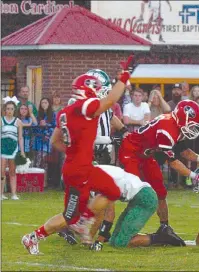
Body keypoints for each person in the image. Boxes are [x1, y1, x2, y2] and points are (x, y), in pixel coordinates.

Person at [21, 55, 132, 255]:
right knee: (72, 215)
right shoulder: (85, 106)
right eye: (96, 88)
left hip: (77, 166)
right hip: (80, 170)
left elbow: (55, 141)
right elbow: (112, 100)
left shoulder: (66, 111)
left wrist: (73, 151)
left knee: (112, 191)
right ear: (87, 88)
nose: (99, 92)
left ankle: (80, 222)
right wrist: (123, 77)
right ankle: (35, 236)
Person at [118, 100, 199, 241]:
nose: (193, 128)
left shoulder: (176, 125)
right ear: (183, 118)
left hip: (146, 155)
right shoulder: (167, 128)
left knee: (160, 191)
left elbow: (182, 151)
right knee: (136, 192)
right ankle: (123, 228)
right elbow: (173, 162)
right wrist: (195, 176)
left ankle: (164, 227)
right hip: (131, 151)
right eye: (192, 124)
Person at [88, 165, 185, 250]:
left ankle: (163, 237)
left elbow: (109, 214)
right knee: (113, 241)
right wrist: (90, 239)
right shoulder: (98, 172)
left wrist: (98, 241)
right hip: (136, 199)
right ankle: (161, 236)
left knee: (121, 243)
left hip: (145, 198)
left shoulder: (101, 180)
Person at [1, 99, 26, 200]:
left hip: (13, 149)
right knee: (1, 171)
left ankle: (14, 194)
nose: (9, 111)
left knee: (12, 171)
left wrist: (22, 151)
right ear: (5, 110)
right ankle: (1, 194)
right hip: (2, 149)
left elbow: (20, 137)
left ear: (14, 110)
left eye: (11, 109)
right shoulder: (1, 120)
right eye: (8, 109)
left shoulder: (18, 122)